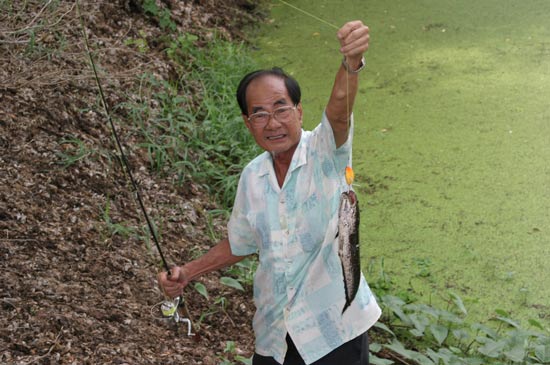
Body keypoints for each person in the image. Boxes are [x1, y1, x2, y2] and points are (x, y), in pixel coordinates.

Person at [158, 20, 381, 365]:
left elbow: (340, 109)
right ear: (248, 123)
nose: (272, 123)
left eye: (281, 108)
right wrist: (188, 272)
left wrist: (351, 64)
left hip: (334, 333)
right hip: (274, 335)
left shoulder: (325, 151)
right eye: (259, 114)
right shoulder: (252, 177)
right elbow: (240, 242)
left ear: (299, 111)